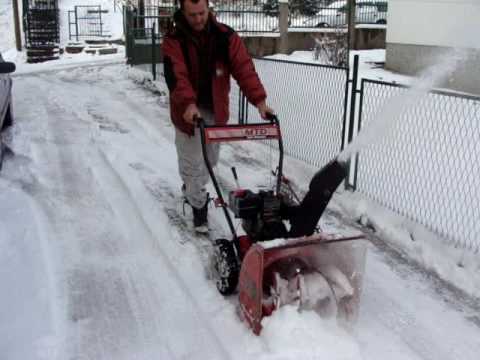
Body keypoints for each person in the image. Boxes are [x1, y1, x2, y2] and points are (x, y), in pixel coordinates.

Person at [162, 0, 274, 233]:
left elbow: (244, 69)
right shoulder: (174, 40)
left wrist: (260, 102)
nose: (198, 19)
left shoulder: (225, 37)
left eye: (202, 13)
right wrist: (188, 104)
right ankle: (197, 207)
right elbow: (177, 76)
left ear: (209, 9)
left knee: (209, 162)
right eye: (192, 15)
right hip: (187, 112)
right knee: (193, 163)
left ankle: (193, 188)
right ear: (183, 12)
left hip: (216, 109)